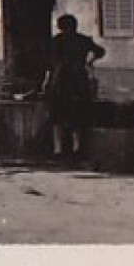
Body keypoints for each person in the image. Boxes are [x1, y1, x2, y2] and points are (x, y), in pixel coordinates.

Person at [42, 14, 105, 158]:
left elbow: (50, 63)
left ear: (61, 26)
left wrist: (47, 81)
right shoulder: (83, 40)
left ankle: (58, 148)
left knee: (57, 114)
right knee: (77, 113)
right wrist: (90, 61)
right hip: (78, 78)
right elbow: (100, 51)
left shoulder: (57, 41)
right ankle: (77, 146)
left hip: (61, 79)